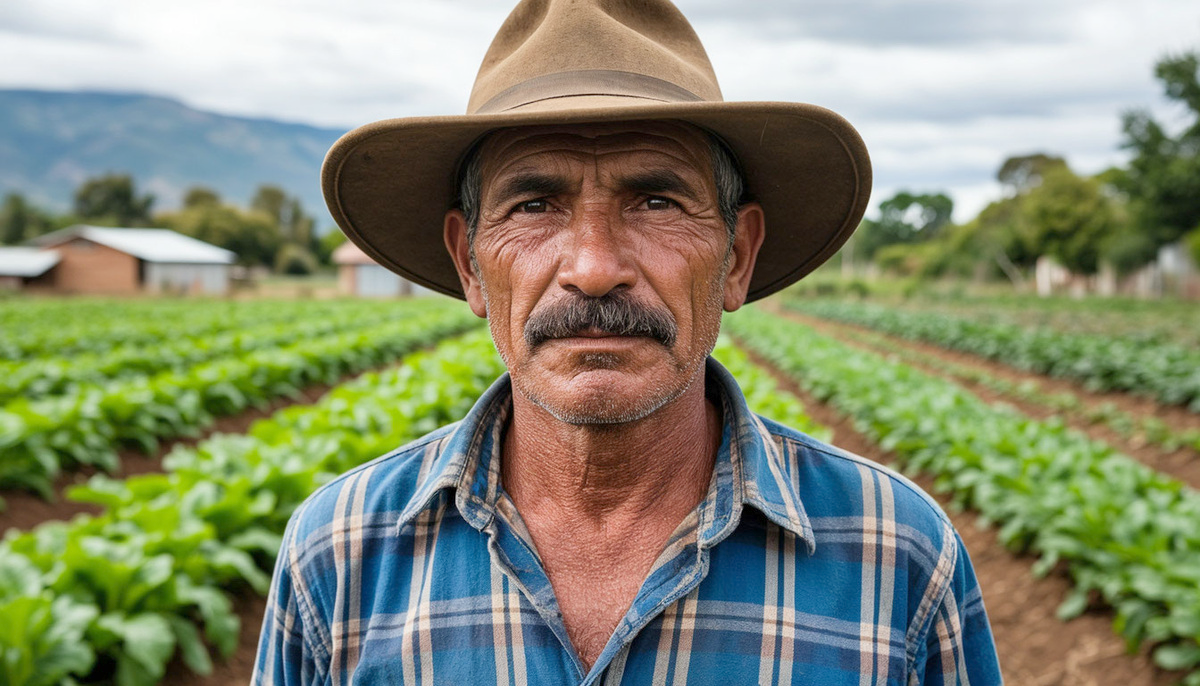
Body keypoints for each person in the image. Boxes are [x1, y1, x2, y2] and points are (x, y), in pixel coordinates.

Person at [254, 0, 1003, 683]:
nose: (594, 268)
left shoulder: (898, 556)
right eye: (534, 203)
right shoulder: (339, 555)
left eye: (656, 200)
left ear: (737, 257)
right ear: (469, 264)